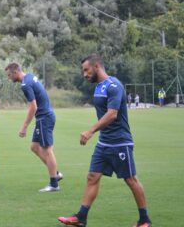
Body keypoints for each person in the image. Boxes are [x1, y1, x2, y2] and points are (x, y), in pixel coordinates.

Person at [58, 54, 152, 227]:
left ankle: (145, 220)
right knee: (92, 176)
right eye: (83, 71)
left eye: (86, 70)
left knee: (131, 179)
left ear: (97, 66)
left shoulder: (114, 85)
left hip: (120, 142)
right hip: (104, 142)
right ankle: (81, 217)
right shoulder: (98, 87)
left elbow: (112, 114)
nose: (84, 74)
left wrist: (90, 131)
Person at [5, 62, 62, 192]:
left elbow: (33, 106)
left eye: (9, 75)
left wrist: (24, 126)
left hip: (44, 118)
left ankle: (54, 183)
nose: (9, 78)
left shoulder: (25, 84)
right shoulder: (29, 76)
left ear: (15, 72)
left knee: (47, 150)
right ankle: (56, 173)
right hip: (44, 117)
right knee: (34, 147)